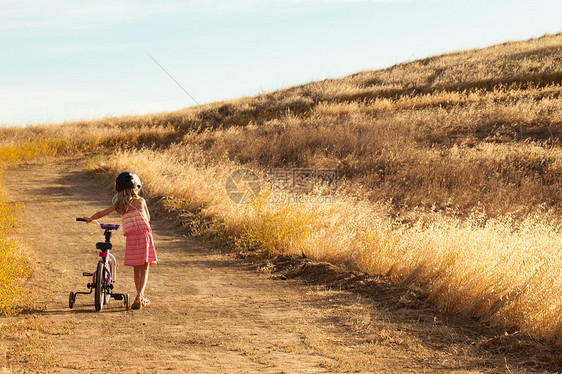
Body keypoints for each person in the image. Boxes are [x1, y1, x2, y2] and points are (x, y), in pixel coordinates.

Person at [83, 172, 157, 309]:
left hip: (131, 238)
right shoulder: (141, 201)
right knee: (145, 268)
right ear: (136, 187)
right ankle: (140, 296)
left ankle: (139, 295)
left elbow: (101, 213)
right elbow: (148, 218)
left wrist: (90, 219)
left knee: (136, 269)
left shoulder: (119, 205)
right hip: (144, 236)